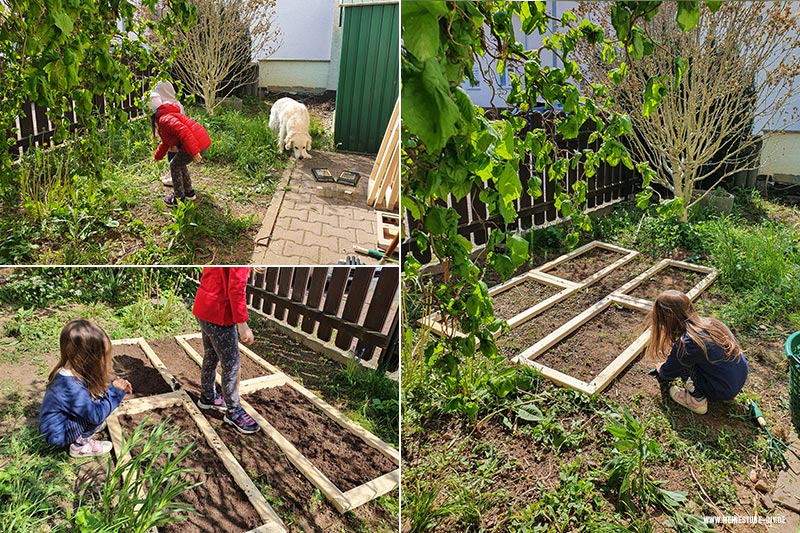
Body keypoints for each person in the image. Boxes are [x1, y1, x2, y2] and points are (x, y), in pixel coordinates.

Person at [39, 320, 132, 457]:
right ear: (88, 359)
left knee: (97, 404)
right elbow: (96, 415)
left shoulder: (69, 371)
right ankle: (80, 446)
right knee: (99, 412)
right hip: (59, 434)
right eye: (102, 358)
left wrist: (112, 381)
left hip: (59, 424)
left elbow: (90, 379)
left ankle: (82, 429)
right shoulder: (71, 388)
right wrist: (116, 391)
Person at [649, 290, 748, 414]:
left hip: (721, 390)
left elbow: (668, 374)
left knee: (683, 364)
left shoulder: (687, 343)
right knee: (686, 358)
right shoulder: (710, 323)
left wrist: (662, 369)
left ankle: (697, 400)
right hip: (736, 379)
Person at [192, 267, 260, 434]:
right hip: (218, 314)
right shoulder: (239, 265)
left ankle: (208, 397)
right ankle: (234, 411)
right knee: (232, 365)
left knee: (211, 355)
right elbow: (236, 288)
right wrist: (242, 324)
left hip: (204, 307)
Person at [149, 92, 211, 206]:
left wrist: (194, 152)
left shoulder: (164, 119)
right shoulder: (167, 117)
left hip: (196, 145)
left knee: (174, 165)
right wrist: (157, 156)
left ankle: (178, 199)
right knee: (180, 164)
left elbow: (184, 131)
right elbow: (166, 142)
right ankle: (189, 193)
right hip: (200, 142)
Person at [148, 81, 185, 188]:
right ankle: (176, 176)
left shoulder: (166, 108)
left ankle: (175, 179)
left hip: (176, 136)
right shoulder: (176, 104)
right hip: (178, 136)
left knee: (174, 156)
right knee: (177, 159)